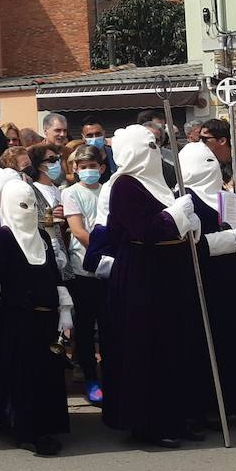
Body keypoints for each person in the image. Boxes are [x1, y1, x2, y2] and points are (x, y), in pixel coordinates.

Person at [96, 125, 210, 447]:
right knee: (146, 346)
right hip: (142, 274)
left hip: (172, 271)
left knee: (176, 344)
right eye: (147, 146)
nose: (154, 151)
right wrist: (174, 216)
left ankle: (177, 414)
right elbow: (142, 230)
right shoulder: (124, 186)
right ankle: (147, 421)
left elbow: (177, 227)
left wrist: (191, 223)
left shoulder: (162, 184)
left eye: (155, 145)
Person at [0, 180, 73, 456]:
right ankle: (26, 430)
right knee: (23, 376)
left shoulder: (43, 238)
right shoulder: (1, 238)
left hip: (46, 320)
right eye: (23, 205)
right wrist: (9, 304)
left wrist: (65, 309)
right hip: (17, 321)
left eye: (33, 205)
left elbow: (53, 274)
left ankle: (50, 424)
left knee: (48, 375)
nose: (29, 211)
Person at [178, 142, 236, 421]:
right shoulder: (184, 199)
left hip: (232, 277)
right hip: (204, 278)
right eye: (204, 163)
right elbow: (191, 244)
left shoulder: (227, 197)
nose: (211, 167)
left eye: (212, 160)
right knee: (209, 340)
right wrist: (232, 239)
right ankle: (210, 406)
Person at [61, 144, 105, 405]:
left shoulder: (108, 189)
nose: (89, 171)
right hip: (84, 267)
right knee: (86, 327)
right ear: (75, 170)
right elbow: (77, 230)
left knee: (110, 326)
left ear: (101, 167)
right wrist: (102, 251)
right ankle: (91, 378)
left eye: (93, 167)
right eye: (83, 167)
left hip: (110, 268)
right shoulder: (72, 193)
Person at [28, 143, 70, 276]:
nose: (57, 163)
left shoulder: (60, 189)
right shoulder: (32, 190)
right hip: (45, 250)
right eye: (52, 160)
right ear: (39, 164)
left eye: (58, 159)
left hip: (64, 248)